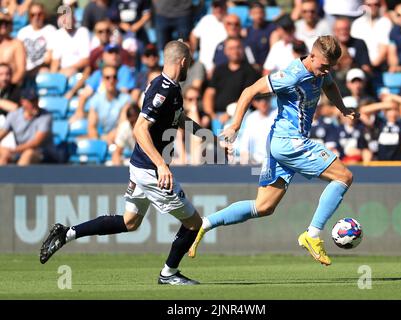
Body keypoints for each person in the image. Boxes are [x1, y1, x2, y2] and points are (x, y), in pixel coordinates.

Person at [39, 40, 216, 285]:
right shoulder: (162, 89)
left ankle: (67, 233)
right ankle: (169, 274)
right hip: (151, 170)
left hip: (141, 166)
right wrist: (162, 165)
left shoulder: (170, 88)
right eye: (189, 62)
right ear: (183, 62)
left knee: (129, 222)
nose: (190, 66)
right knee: (194, 223)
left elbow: (178, 119)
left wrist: (210, 136)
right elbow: (139, 129)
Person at [189, 36, 358, 266]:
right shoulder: (291, 75)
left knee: (264, 206)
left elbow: (328, 84)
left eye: (330, 67)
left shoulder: (321, 71)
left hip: (281, 144)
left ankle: (204, 224)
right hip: (290, 142)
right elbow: (250, 91)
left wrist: (342, 108)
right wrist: (236, 125)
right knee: (344, 176)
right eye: (323, 66)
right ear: (312, 56)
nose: (326, 71)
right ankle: (313, 234)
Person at [0, 88, 57, 166]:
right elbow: (2, 133)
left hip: (43, 153)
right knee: (4, 155)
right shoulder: (14, 115)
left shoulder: (46, 116)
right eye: (31, 101)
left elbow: (36, 143)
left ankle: (18, 177)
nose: (35, 103)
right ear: (23, 102)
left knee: (28, 154)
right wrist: (4, 151)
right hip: (19, 151)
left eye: (36, 100)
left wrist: (13, 150)